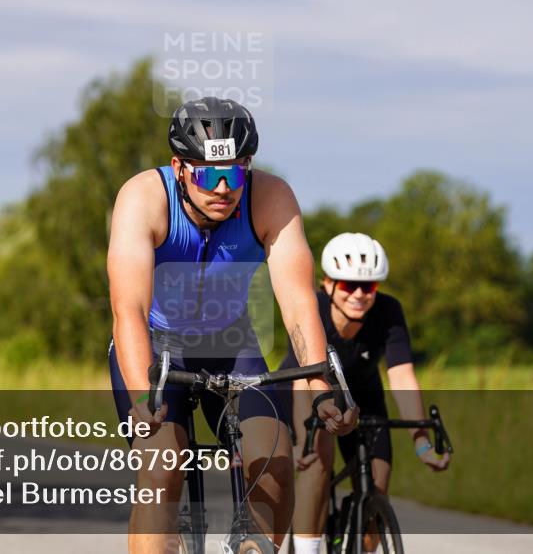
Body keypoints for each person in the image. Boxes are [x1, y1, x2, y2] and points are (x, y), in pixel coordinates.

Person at [107, 97, 358, 553]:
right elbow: (129, 311)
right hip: (158, 350)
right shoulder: (144, 198)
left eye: (236, 172)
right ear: (179, 167)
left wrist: (320, 385)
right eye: (208, 173)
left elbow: (299, 300)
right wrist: (144, 398)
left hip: (231, 344)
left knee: (276, 463)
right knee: (163, 469)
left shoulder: (271, 198)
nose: (223, 188)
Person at [282, 232, 450, 554]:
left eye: (369, 286)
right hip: (306, 389)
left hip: (363, 397)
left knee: (378, 483)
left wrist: (421, 441)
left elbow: (401, 376)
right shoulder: (311, 308)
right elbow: (302, 380)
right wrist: (301, 440)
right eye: (348, 286)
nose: (360, 294)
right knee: (317, 463)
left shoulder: (388, 311)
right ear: (327, 284)